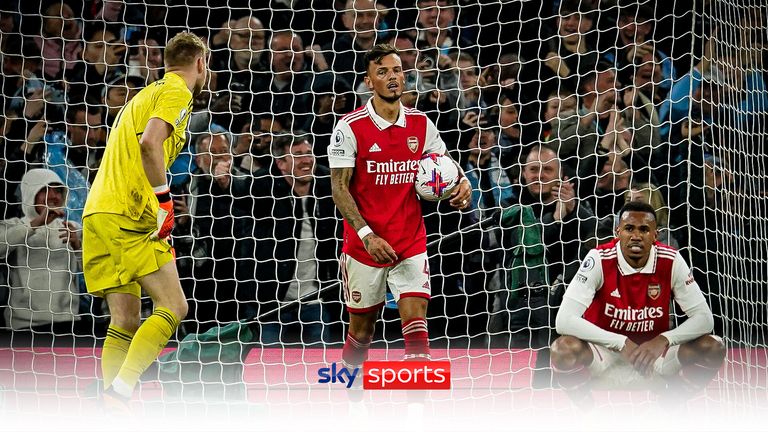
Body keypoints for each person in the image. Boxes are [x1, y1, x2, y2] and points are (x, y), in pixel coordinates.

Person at [81, 31, 207, 406]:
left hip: (97, 212)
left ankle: (109, 405)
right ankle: (121, 393)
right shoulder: (176, 92)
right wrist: (164, 200)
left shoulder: (139, 98)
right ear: (200, 63)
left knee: (125, 320)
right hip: (128, 212)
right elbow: (149, 144)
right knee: (174, 307)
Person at [328, 43, 471, 369]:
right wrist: (367, 235)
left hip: (410, 241)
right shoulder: (349, 128)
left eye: (397, 70)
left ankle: (416, 415)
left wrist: (464, 183)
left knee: (417, 328)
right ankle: (350, 400)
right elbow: (339, 189)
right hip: (364, 246)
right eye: (383, 72)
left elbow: (446, 163)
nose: (392, 77)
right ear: (369, 81)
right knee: (361, 334)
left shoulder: (421, 124)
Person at [551, 201, 726, 406]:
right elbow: (563, 320)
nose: (636, 236)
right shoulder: (599, 258)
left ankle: (672, 403)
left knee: (714, 346)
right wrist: (619, 342)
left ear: (655, 235)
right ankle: (588, 412)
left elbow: (704, 319)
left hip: (653, 359)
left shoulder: (671, 259)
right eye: (629, 228)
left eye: (644, 229)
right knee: (562, 349)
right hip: (604, 357)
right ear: (618, 232)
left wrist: (664, 339)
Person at [0, 169, 83, 333]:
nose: (53, 196)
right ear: (30, 193)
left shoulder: (73, 229)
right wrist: (36, 224)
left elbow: (93, 275)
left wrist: (78, 247)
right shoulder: (11, 226)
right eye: (45, 189)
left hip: (68, 323)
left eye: (58, 190)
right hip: (23, 326)